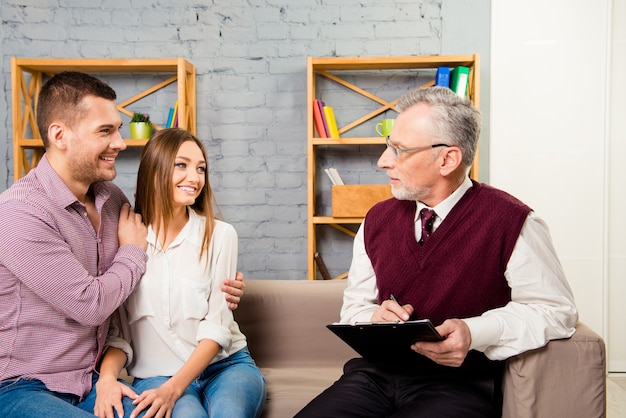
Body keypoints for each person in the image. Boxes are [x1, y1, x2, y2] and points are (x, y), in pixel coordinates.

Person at [295, 86, 578, 418]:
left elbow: (555, 311)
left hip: (460, 383)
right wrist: (372, 318)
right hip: (373, 376)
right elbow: (355, 306)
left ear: (447, 159)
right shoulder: (376, 220)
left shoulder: (513, 221)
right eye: (389, 146)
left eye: (399, 149)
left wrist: (475, 333)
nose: (383, 161)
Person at [0, 71, 245, 418]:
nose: (120, 142)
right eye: (105, 131)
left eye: (118, 129)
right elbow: (91, 304)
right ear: (59, 135)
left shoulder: (111, 199)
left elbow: (163, 259)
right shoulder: (18, 213)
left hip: (96, 380)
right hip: (26, 385)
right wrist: (132, 251)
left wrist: (223, 287)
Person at [94, 128, 266, 418]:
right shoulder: (127, 240)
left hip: (226, 366)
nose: (195, 177)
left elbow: (217, 328)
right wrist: (107, 378)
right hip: (157, 375)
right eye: (182, 165)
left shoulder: (221, 235)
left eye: (201, 168)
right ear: (154, 170)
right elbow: (119, 332)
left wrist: (175, 389)